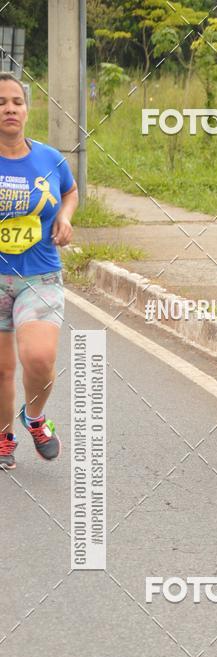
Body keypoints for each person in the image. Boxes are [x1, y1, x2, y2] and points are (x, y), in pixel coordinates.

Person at [0, 73, 78, 470]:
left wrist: (65, 217)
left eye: (17, 101)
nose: (10, 108)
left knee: (41, 359)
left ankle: (34, 418)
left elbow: (70, 190)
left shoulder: (50, 158)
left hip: (39, 274)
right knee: (2, 368)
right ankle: (2, 436)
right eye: (1, 102)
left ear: (27, 109)